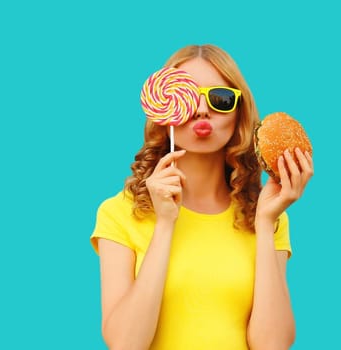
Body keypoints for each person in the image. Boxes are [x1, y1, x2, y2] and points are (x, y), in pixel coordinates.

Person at [90, 44, 313, 350]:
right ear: (163, 109)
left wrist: (264, 224)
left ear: (238, 113)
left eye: (220, 99)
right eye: (189, 97)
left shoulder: (269, 216)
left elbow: (272, 345)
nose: (202, 110)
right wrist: (165, 223)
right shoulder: (119, 213)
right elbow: (126, 344)